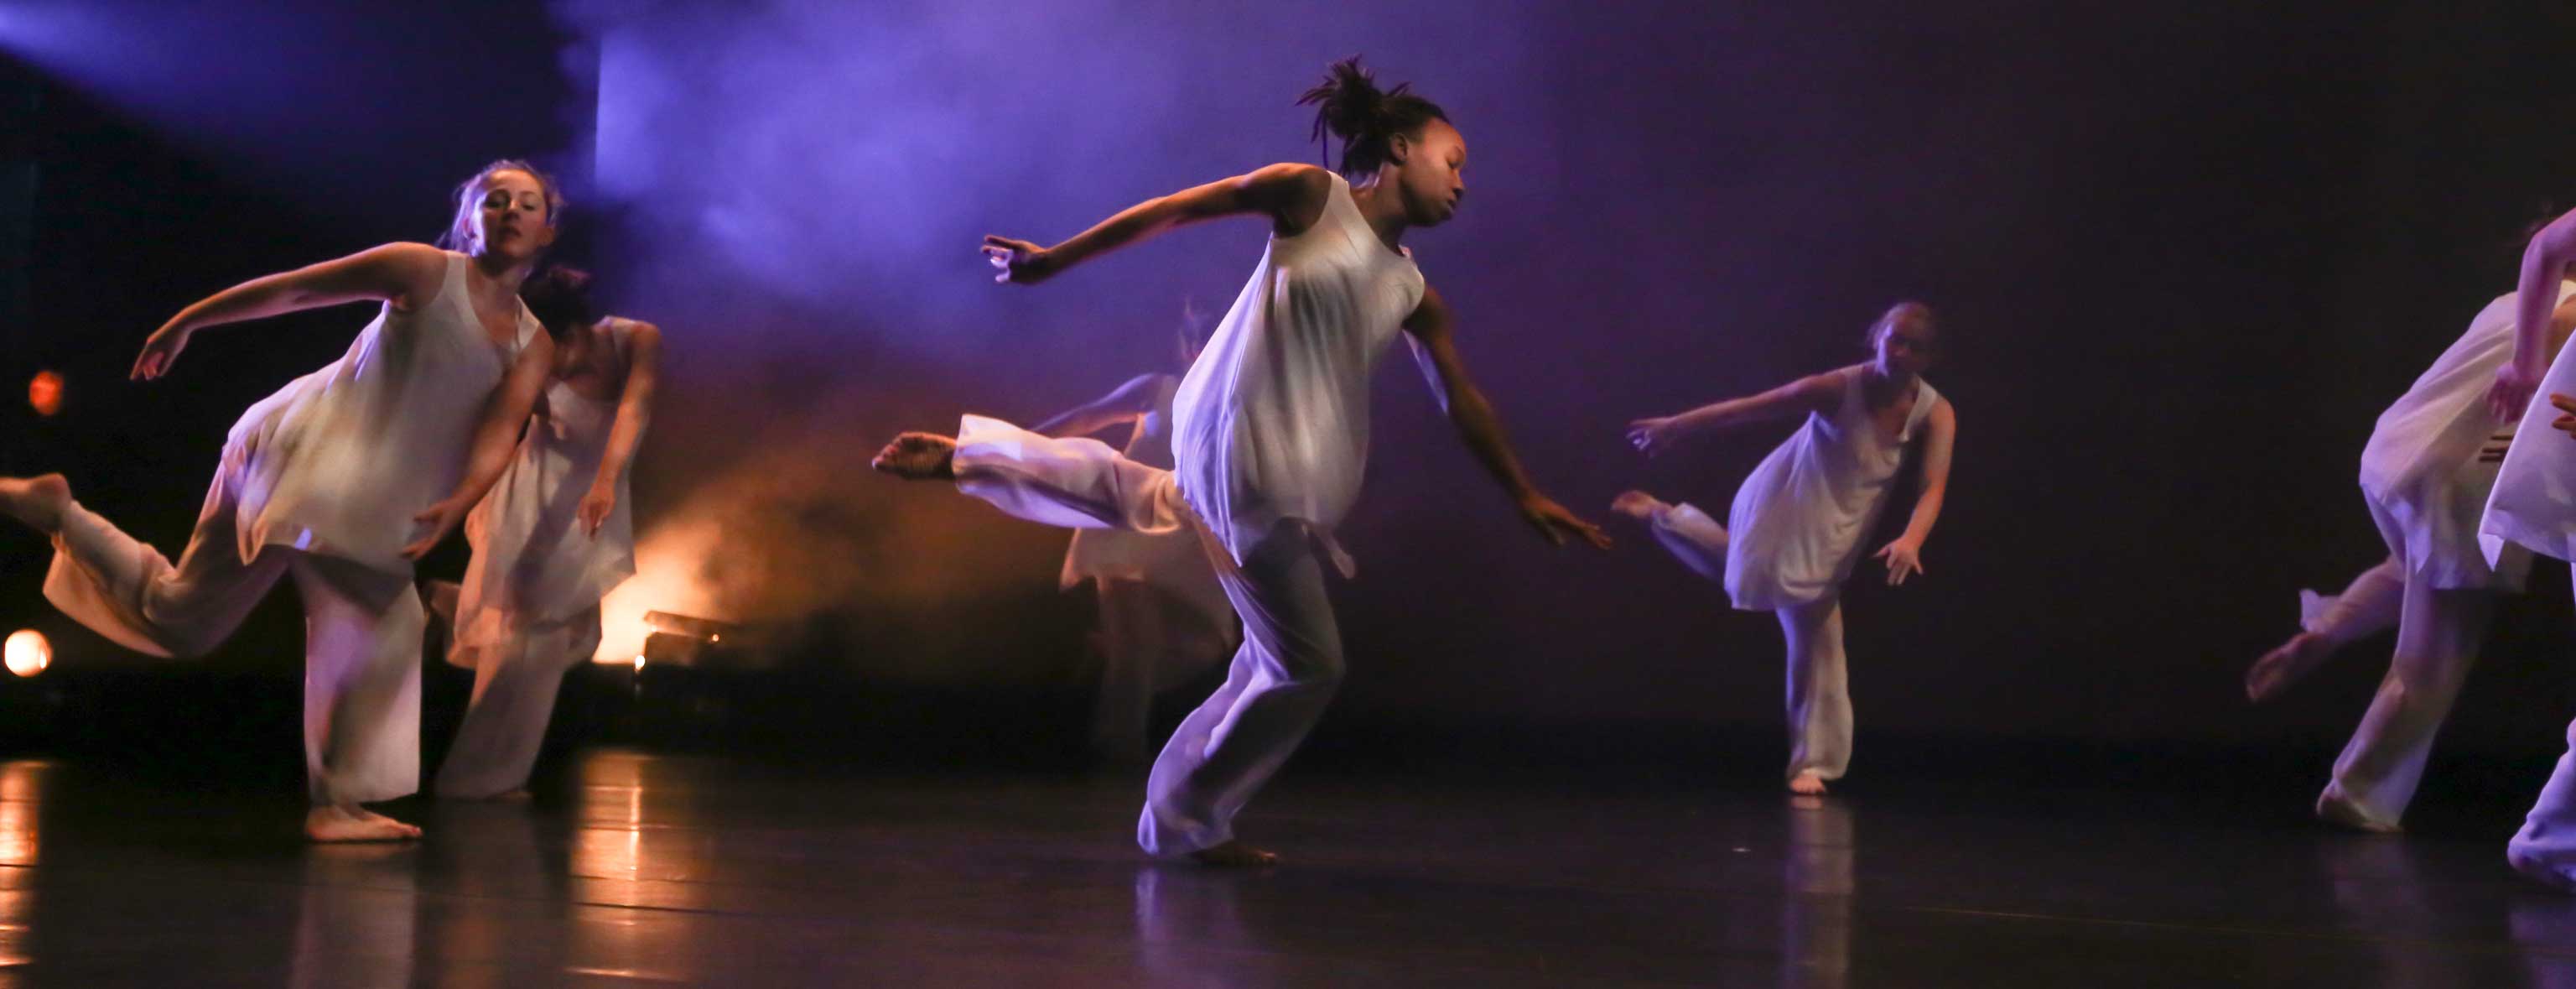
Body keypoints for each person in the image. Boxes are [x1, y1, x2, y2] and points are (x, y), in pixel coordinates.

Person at [874, 56, 1607, 866]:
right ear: (1399, 147)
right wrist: (1054, 261)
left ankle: (972, 457)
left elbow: (1462, 400)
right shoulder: (1311, 196)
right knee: (1309, 665)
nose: (1464, 181)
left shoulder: (1411, 289)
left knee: (1163, 507)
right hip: (1246, 444)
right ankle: (1184, 822)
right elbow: (1176, 210)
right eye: (1454, 159)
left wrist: (1524, 492)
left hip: (1271, 468)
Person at [0, 160, 564, 841]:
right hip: (306, 450)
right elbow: (298, 291)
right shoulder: (422, 271)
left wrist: (461, 500)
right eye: (493, 199)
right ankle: (336, 804)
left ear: (546, 231)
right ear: (468, 219)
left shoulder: (533, 344)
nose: (508, 211)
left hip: (360, 485)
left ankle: (59, 511)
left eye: (525, 204)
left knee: (185, 620)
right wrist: (188, 321)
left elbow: (499, 436)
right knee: (381, 612)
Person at [1618, 302, 1957, 795]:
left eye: (1913, 346)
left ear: (1927, 358)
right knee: (1810, 628)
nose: (1899, 351)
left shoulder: (1936, 412)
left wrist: (1912, 538)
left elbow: (1934, 486)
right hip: (1787, 500)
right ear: (1876, 338)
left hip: (1839, 524)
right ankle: (1812, 764)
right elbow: (1752, 406)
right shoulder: (1837, 388)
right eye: (1893, 339)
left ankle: (1664, 517)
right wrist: (1678, 425)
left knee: (1749, 576)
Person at [433, 265, 660, 799]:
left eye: (561, 346)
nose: (554, 360)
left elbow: (636, 408)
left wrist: (605, 481)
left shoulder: (636, 339)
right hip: (530, 496)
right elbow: (500, 427)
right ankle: (477, 778)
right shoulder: (526, 354)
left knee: (555, 636)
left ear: (582, 331)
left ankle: (450, 605)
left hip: (588, 501)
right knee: (528, 639)